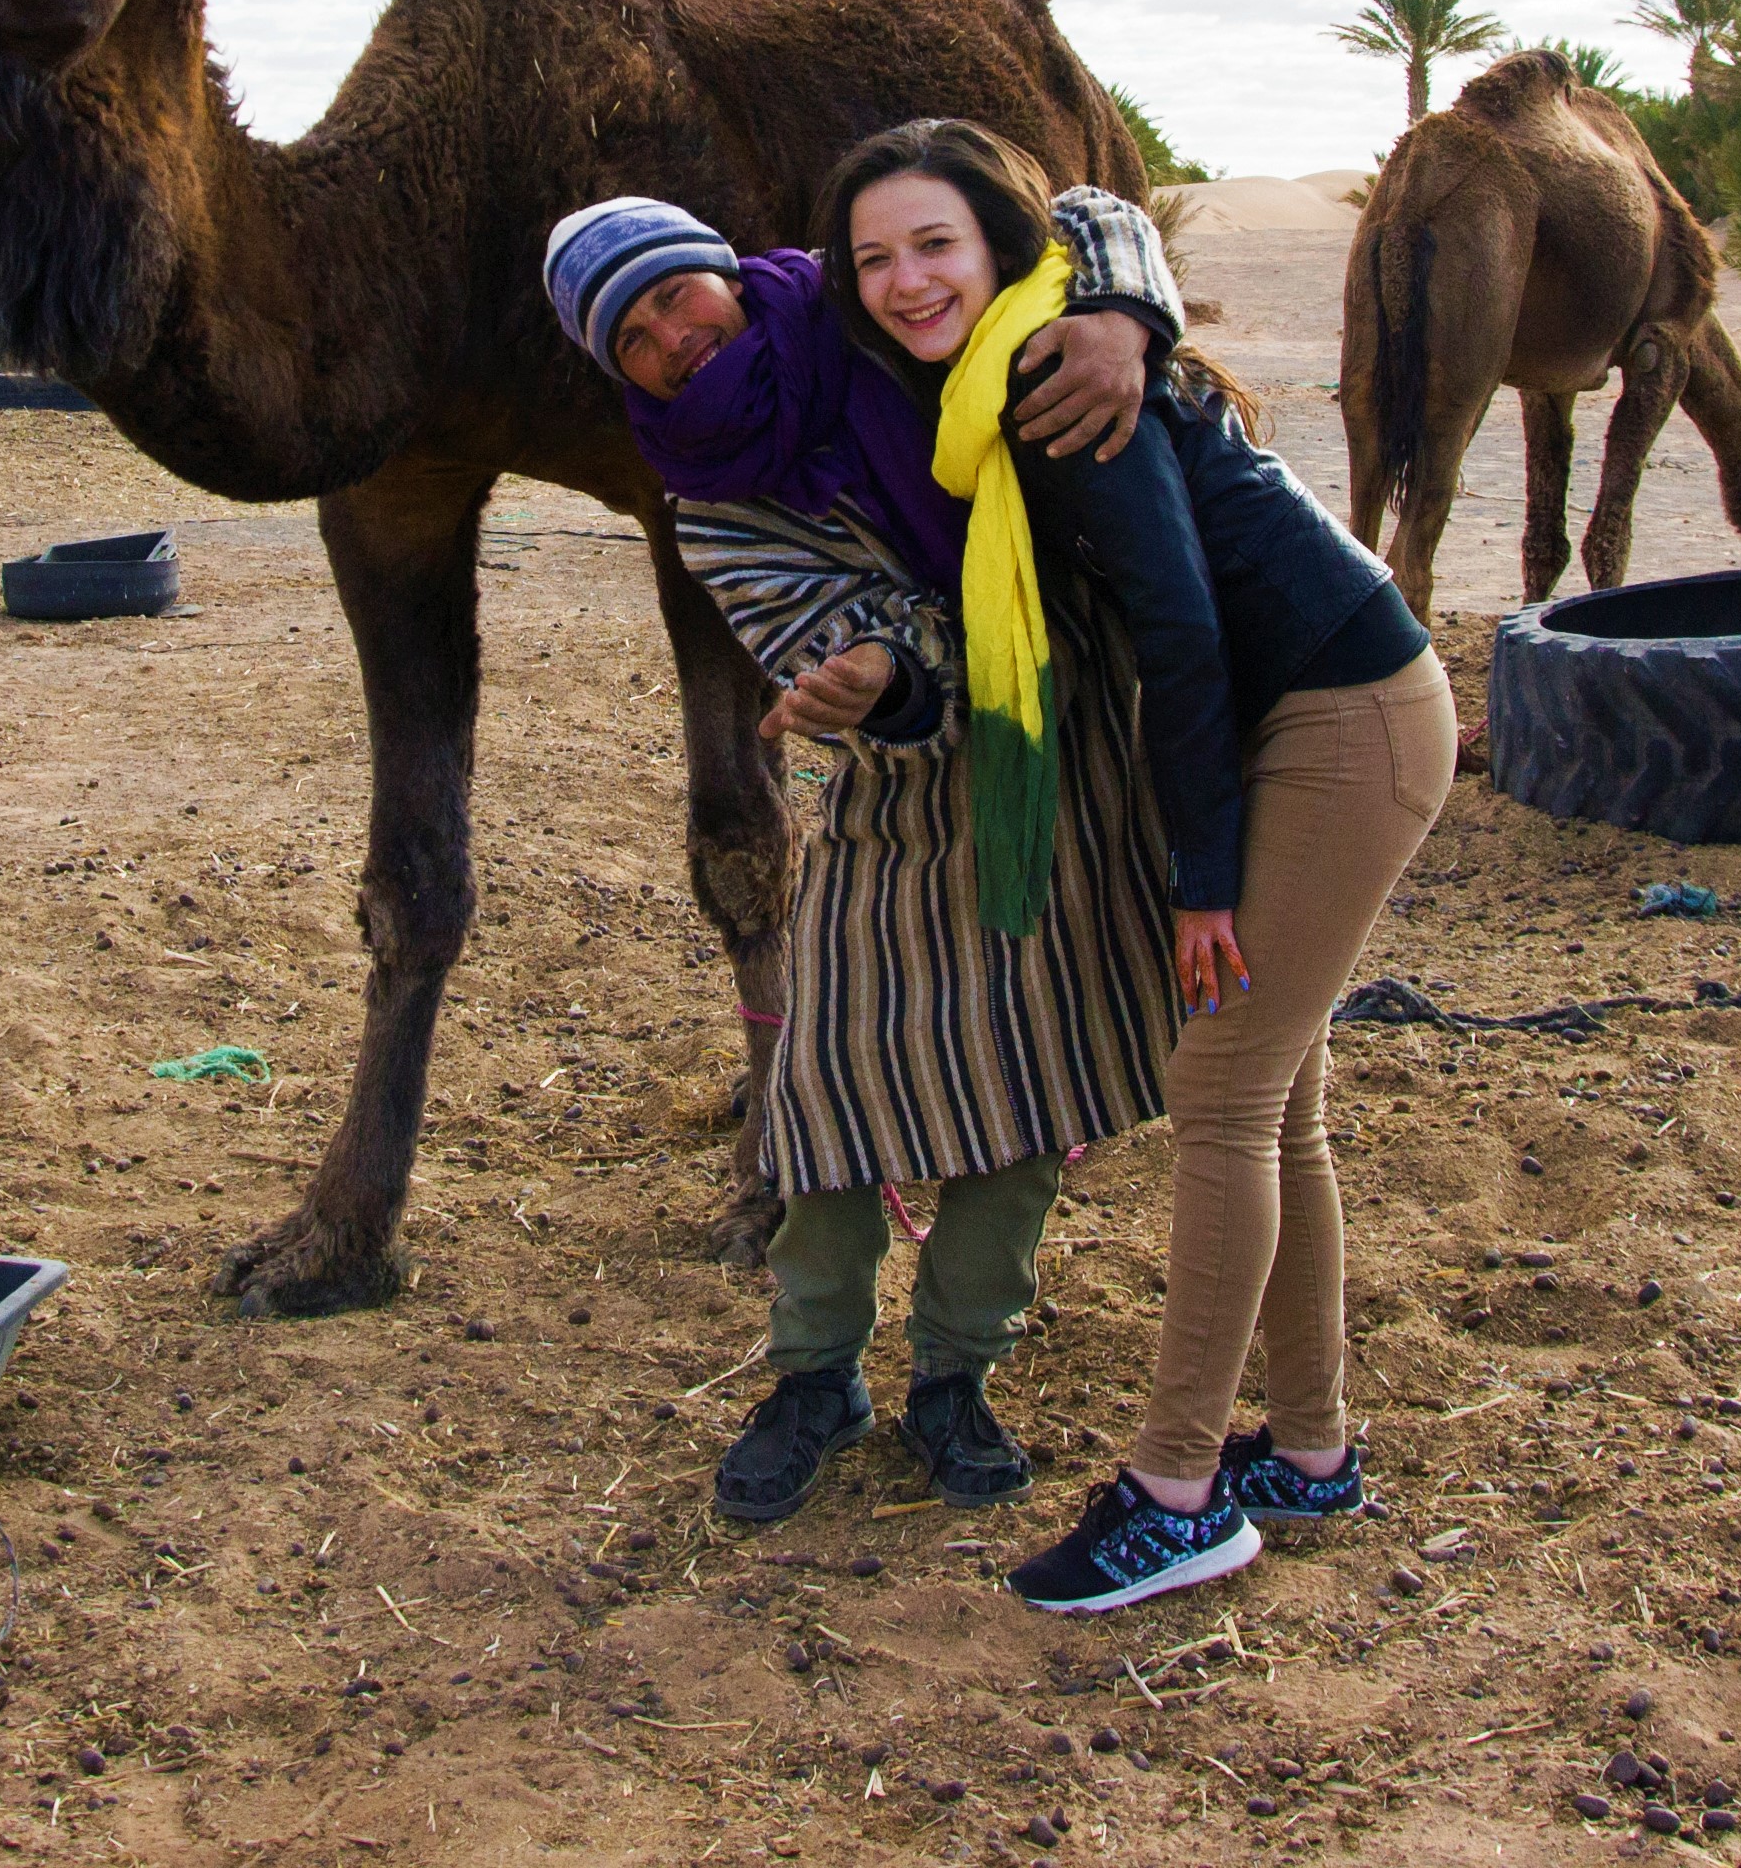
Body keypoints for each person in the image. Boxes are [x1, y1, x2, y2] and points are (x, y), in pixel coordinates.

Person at [809, 120, 1453, 1616]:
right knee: (1277, 1100)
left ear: (1000, 244)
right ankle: (1306, 1452)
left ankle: (1176, 1494)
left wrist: (1202, 880)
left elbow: (1179, 627)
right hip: (1339, 697)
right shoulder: (1012, 368)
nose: (907, 282)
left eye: (935, 245)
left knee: (1223, 1098)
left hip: (1336, 715)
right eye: (875, 259)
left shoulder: (1049, 375)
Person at [543, 183, 1184, 1524]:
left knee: (1027, 1086)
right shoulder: (712, 500)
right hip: (896, 790)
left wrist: (1121, 313)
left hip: (1063, 757)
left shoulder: (884, 315)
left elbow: (1079, 213)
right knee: (829, 1087)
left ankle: (955, 1377)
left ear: (722, 271)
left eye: (674, 296)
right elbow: (827, 623)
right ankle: (814, 1374)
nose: (672, 340)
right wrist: (883, 670)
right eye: (635, 342)